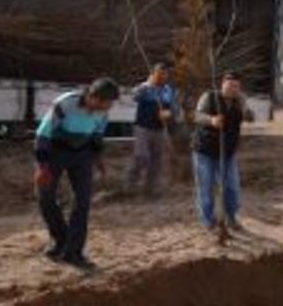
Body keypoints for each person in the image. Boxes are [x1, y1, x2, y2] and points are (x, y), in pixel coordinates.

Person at [34, 77, 120, 269]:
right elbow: (43, 135)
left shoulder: (103, 112)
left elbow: (97, 137)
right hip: (55, 152)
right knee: (45, 197)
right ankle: (60, 241)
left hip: (82, 155)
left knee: (82, 201)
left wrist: (98, 160)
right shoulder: (65, 104)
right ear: (94, 97)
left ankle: (73, 253)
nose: (109, 107)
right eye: (107, 103)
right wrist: (42, 166)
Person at [192, 72, 254, 231]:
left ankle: (231, 217)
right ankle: (209, 220)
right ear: (223, 84)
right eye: (230, 85)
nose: (233, 89)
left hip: (228, 152)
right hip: (205, 151)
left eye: (237, 86)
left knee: (232, 187)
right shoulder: (209, 96)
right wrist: (211, 120)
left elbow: (250, 118)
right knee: (206, 187)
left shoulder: (240, 101)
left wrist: (245, 107)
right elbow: (197, 116)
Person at [127, 62, 176, 196]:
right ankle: (130, 185)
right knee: (141, 156)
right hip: (143, 127)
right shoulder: (145, 87)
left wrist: (168, 114)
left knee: (157, 159)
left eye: (164, 74)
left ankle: (150, 188)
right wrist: (148, 85)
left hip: (159, 129)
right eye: (159, 73)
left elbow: (172, 108)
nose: (162, 76)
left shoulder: (168, 90)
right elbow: (134, 96)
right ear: (153, 73)